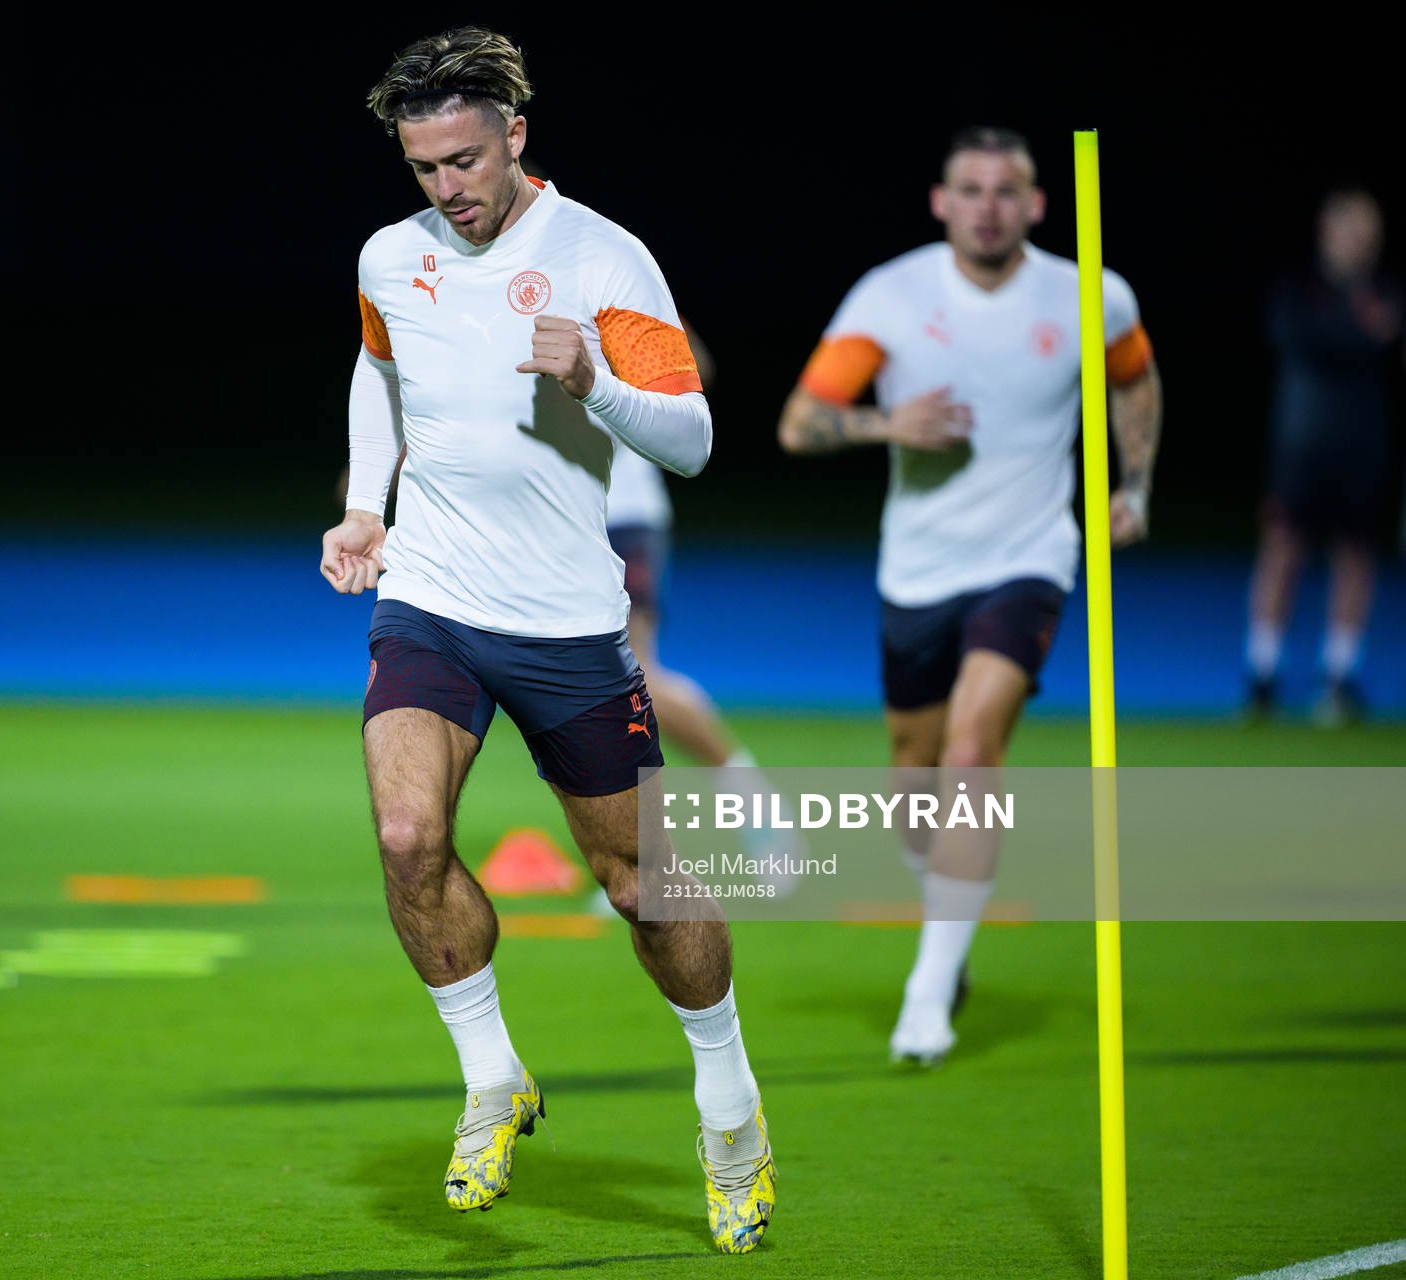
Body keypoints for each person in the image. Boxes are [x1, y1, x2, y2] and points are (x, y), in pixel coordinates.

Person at [321, 26, 775, 1253]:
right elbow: (379, 369)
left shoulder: (603, 257)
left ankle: (729, 1108)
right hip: (429, 595)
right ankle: (491, 1077)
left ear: (517, 135)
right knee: (409, 833)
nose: (448, 191)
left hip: (569, 620)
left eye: (465, 160)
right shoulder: (390, 254)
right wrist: (370, 504)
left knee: (642, 888)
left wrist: (596, 385)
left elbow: (690, 437)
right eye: (425, 169)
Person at [777, 127, 1162, 1065]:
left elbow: (1134, 384)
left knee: (970, 752)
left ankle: (927, 991)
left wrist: (1135, 484)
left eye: (1007, 191)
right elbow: (799, 424)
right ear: (941, 201)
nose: (988, 205)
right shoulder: (893, 294)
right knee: (916, 787)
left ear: (1036, 204)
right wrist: (885, 421)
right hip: (917, 567)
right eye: (971, 189)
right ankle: (945, 913)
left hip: (1030, 558)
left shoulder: (1092, 294)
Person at [1245, 189, 1400, 725]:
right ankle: (1262, 674)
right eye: (1348, 229)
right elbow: (1307, 339)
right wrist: (1362, 334)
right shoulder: (1300, 289)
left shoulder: (1384, 292)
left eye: (1367, 231)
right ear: (1326, 233)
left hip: (1366, 446)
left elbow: (1384, 345)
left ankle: (1338, 676)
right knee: (1282, 550)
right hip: (1301, 445)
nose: (1358, 241)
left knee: (1356, 556)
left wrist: (1368, 334)